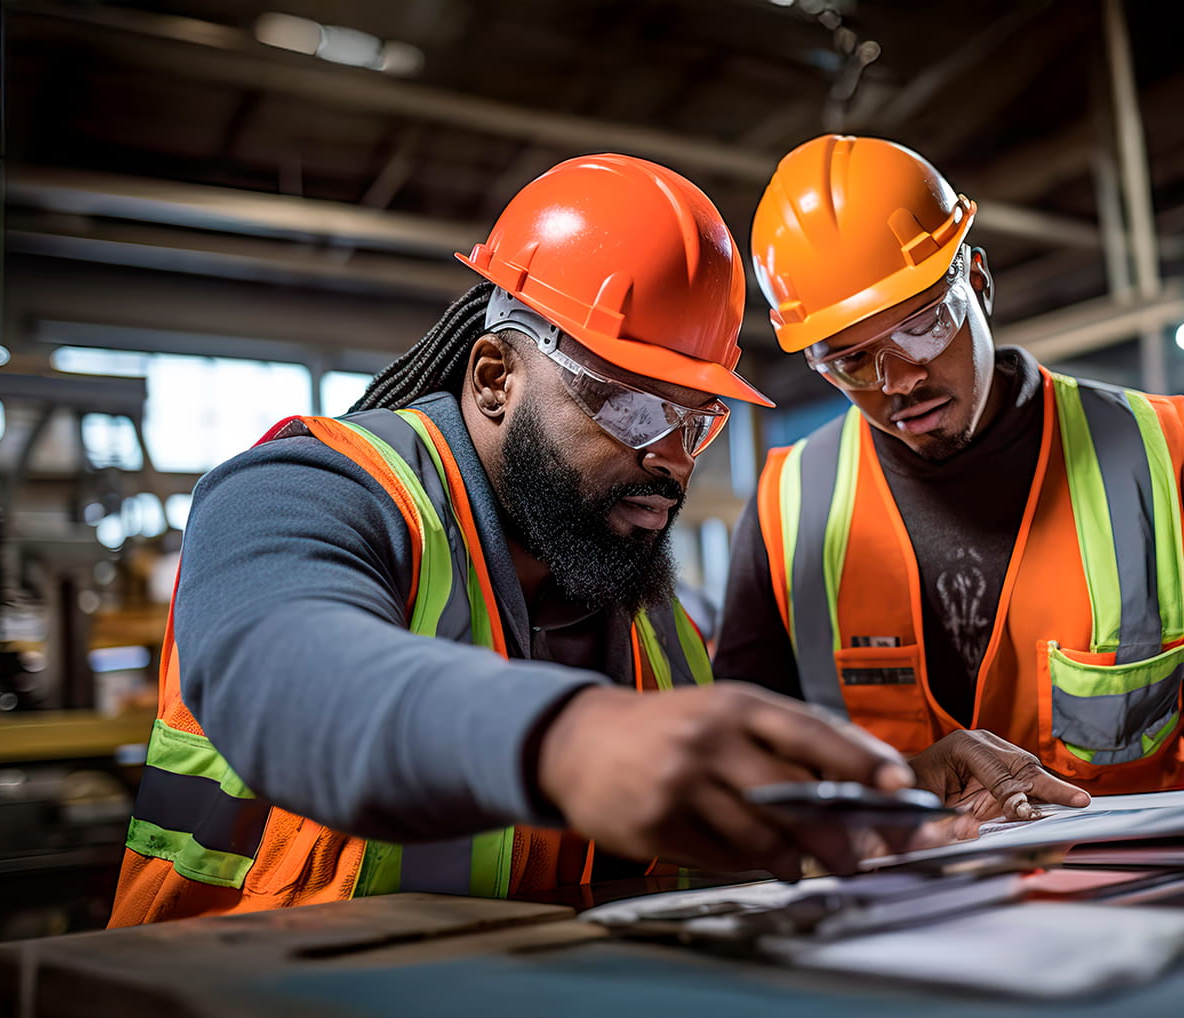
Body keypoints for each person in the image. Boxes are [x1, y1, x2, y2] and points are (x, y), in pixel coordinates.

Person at [110, 154, 1084, 928]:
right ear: (494, 378)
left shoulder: (645, 607)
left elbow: (684, 803)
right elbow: (282, 669)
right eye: (628, 405)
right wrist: (567, 738)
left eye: (697, 420)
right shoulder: (312, 491)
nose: (671, 459)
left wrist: (886, 793)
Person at [718, 133, 1184, 796]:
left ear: (979, 282)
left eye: (923, 325)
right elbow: (747, 768)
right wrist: (898, 787)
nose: (900, 380)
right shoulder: (785, 506)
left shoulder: (1166, 451)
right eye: (852, 361)